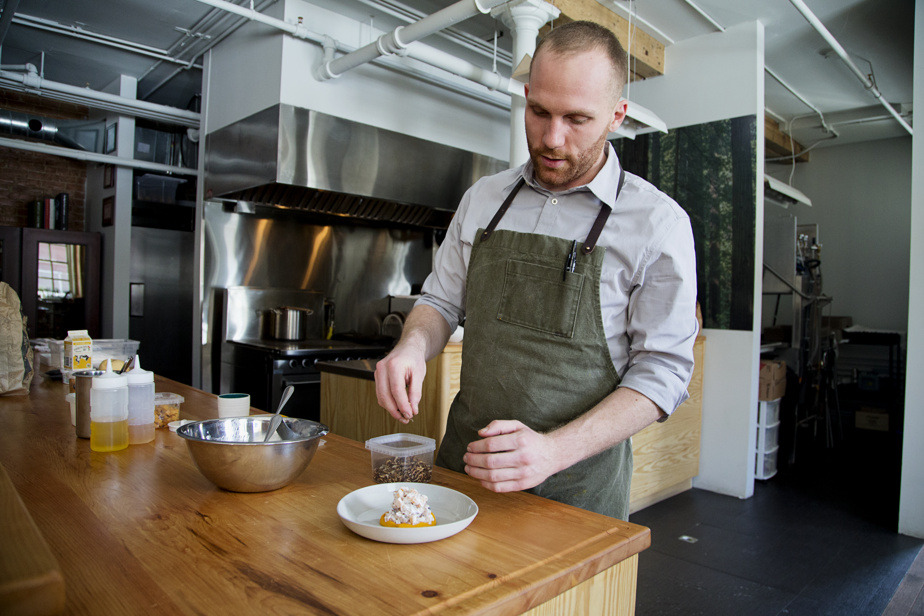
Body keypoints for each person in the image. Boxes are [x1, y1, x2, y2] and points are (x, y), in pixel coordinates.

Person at [374, 20, 698, 520]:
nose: (552, 138)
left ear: (617, 116)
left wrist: (553, 451)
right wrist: (412, 346)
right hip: (464, 476)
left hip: (578, 498)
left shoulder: (658, 224)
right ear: (526, 96)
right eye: (539, 111)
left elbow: (664, 373)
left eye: (577, 119)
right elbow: (440, 303)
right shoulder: (484, 199)